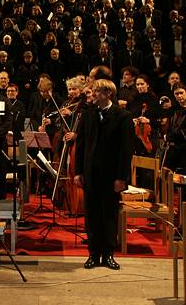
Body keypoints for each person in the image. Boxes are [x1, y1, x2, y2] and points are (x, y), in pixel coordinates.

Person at [74, 79, 134, 270]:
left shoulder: (122, 116)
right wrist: (78, 172)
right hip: (91, 173)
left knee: (109, 214)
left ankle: (108, 253)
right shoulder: (87, 115)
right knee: (91, 214)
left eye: (97, 91)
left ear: (108, 93)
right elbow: (81, 145)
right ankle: (93, 253)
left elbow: (126, 150)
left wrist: (122, 178)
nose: (93, 94)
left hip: (111, 174)